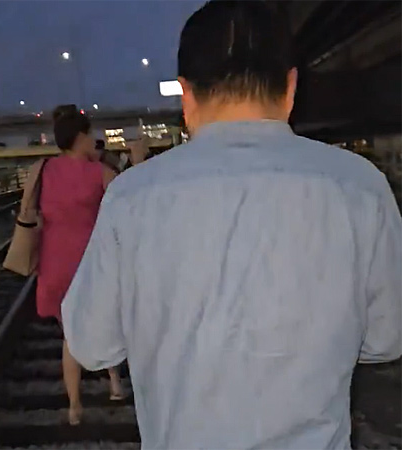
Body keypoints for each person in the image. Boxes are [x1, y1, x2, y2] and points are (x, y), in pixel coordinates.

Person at [62, 1, 402, 448]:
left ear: (186, 95)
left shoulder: (132, 197)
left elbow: (91, 344)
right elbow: (386, 338)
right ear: (290, 87)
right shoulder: (361, 187)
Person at [36, 104, 124, 426]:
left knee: (71, 334)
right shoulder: (99, 173)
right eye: (91, 136)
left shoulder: (44, 170)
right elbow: (126, 201)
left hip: (55, 262)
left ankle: (74, 404)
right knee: (105, 322)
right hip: (90, 261)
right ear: (81, 138)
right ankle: (114, 381)